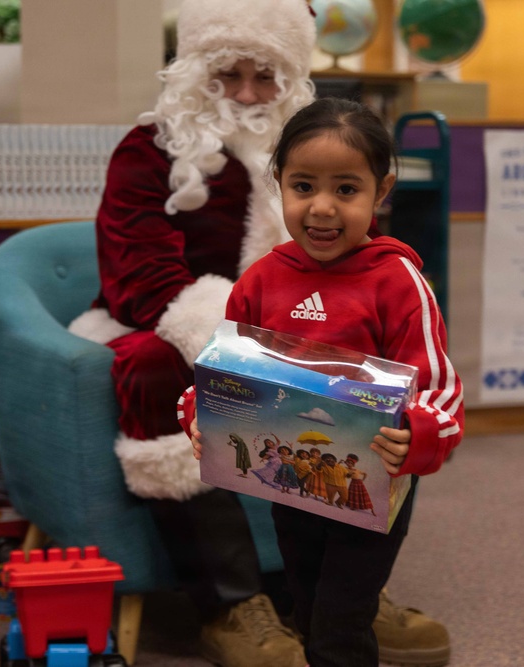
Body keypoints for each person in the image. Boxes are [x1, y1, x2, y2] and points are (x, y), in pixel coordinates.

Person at [69, 1, 451, 665]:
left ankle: (351, 588)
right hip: (174, 317)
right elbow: (140, 275)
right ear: (194, 70)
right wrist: (244, 352)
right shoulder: (148, 147)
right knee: (156, 369)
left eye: (264, 76)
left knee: (377, 364)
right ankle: (232, 601)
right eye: (226, 75)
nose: (245, 94)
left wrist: (314, 347)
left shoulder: (312, 144)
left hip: (292, 315)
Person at [182, 96, 465, 666]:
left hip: (375, 486)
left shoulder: (399, 281)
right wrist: (199, 415)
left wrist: (417, 433)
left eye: (346, 189)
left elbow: (439, 388)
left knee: (341, 623)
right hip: (291, 482)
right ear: (279, 184)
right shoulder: (261, 280)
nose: (322, 208)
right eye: (304, 186)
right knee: (308, 610)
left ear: (381, 192)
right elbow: (226, 369)